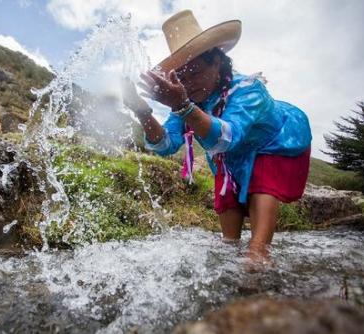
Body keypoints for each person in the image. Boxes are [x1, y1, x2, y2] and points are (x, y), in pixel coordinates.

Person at [122, 10, 312, 265]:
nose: (189, 83)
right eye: (182, 77)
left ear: (218, 62)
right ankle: (228, 266)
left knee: (261, 192)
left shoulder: (248, 90)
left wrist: (183, 106)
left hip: (273, 143)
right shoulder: (186, 99)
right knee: (228, 230)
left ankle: (258, 260)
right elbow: (166, 145)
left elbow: (227, 137)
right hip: (230, 156)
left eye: (196, 72)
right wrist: (142, 111)